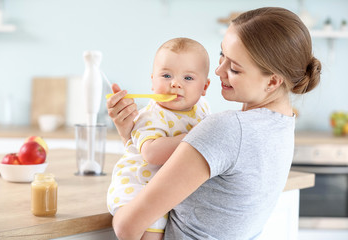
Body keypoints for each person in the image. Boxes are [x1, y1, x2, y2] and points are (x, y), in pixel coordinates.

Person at [107, 7, 321, 240]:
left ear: (272, 81)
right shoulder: (283, 125)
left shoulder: (226, 129)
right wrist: (129, 133)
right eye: (222, 55)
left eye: (234, 68)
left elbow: (127, 227)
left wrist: (118, 204)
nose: (218, 70)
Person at [107, 37, 211, 240]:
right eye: (166, 75)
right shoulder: (152, 115)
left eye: (188, 78)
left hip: (164, 189)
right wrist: (196, 136)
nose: (175, 84)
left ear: (204, 87)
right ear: (152, 81)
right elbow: (152, 153)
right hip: (138, 187)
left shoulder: (202, 108)